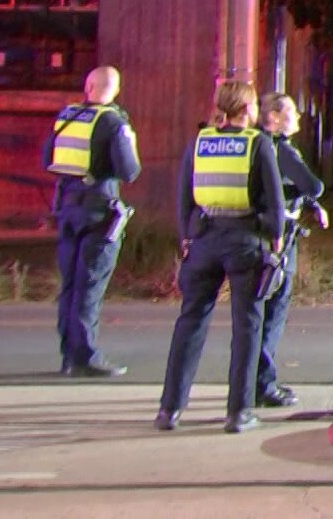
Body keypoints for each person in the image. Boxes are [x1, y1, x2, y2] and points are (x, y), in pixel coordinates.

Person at [155, 82, 286, 433]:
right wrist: (273, 239)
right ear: (246, 110)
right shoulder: (258, 144)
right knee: (247, 325)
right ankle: (239, 412)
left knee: (190, 321)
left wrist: (188, 237)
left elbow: (184, 197)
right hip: (245, 241)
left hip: (204, 239)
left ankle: (170, 409)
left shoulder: (199, 142)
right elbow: (276, 206)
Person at [46, 65, 140, 377]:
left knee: (70, 285)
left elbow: (48, 159)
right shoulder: (113, 122)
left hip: (68, 209)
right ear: (115, 89)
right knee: (90, 285)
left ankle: (68, 356)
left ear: (88, 87)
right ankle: (86, 356)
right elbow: (129, 171)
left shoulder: (68, 117)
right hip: (99, 211)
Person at [254, 92, 326, 409]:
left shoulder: (255, 143)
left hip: (256, 231)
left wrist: (311, 205)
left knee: (256, 311)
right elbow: (312, 184)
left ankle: (249, 381)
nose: (297, 117)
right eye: (292, 112)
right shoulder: (280, 148)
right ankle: (263, 385)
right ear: (276, 116)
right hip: (280, 236)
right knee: (272, 313)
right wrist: (312, 196)